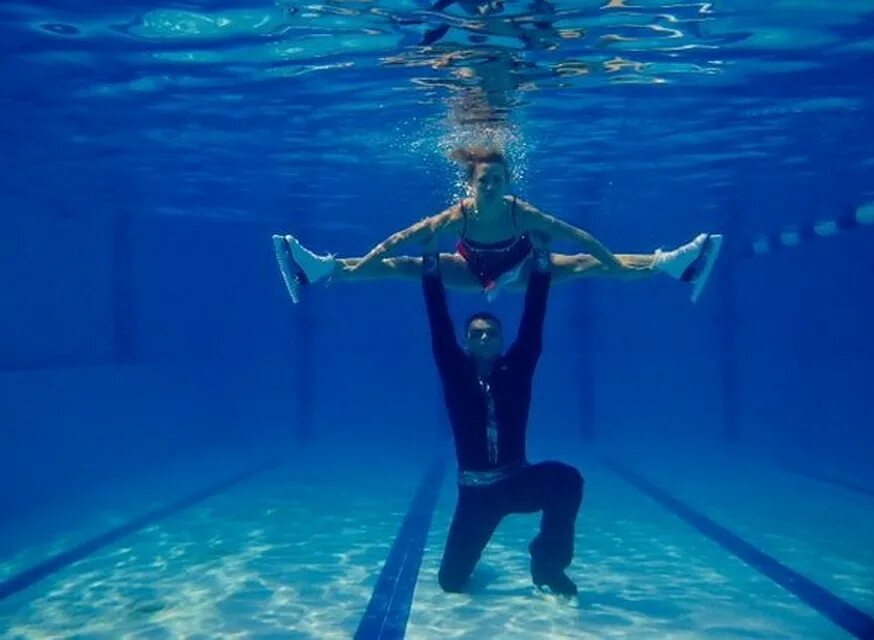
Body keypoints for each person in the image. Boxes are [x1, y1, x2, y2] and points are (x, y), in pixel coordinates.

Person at [272, 147, 723, 303]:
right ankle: (321, 270)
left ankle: (672, 265)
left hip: (522, 271)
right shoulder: (457, 214)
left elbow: (580, 237)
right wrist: (361, 263)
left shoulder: (519, 211)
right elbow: (399, 239)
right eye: (483, 181)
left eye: (498, 180)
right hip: (471, 272)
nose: (490, 187)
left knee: (587, 262)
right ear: (469, 185)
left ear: (507, 182)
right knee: (408, 265)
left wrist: (618, 266)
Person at [422, 231, 582, 596]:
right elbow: (438, 321)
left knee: (567, 479)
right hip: (476, 494)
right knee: (451, 583)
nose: (483, 339)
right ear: (465, 342)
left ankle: (547, 564)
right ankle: (470, 562)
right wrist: (430, 259)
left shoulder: (518, 368)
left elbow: (534, 319)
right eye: (476, 335)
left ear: (501, 340)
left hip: (515, 481)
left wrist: (542, 257)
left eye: (490, 334)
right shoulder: (454, 370)